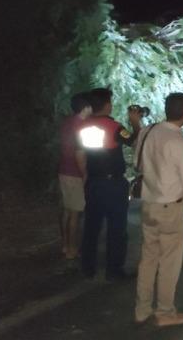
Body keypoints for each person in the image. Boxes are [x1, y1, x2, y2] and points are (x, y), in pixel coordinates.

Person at [134, 92, 183, 327]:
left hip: (148, 204)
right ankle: (165, 312)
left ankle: (142, 309)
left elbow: (137, 163)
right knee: (169, 262)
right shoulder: (179, 143)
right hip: (169, 209)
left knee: (148, 259)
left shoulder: (148, 132)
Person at [76, 88, 142, 280]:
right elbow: (133, 141)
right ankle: (114, 271)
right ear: (107, 105)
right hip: (113, 183)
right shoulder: (113, 127)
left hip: (93, 182)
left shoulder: (83, 127)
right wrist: (135, 123)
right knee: (117, 228)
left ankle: (88, 267)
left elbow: (80, 153)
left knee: (91, 227)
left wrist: (85, 177)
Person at [58, 92, 92, 260]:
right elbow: (80, 153)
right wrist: (84, 173)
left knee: (66, 210)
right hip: (75, 172)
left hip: (63, 170)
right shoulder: (81, 126)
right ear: (85, 108)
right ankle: (72, 249)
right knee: (75, 213)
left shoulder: (67, 122)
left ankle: (65, 245)